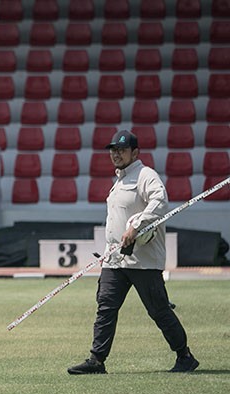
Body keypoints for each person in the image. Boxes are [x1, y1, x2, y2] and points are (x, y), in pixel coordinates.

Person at [68, 130, 199, 375]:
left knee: (158, 310)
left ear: (135, 152)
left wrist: (136, 225)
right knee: (105, 307)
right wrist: (109, 250)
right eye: (113, 150)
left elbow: (160, 203)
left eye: (121, 149)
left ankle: (185, 356)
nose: (116, 154)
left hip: (143, 260)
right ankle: (97, 360)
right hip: (115, 259)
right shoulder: (118, 181)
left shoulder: (146, 175)